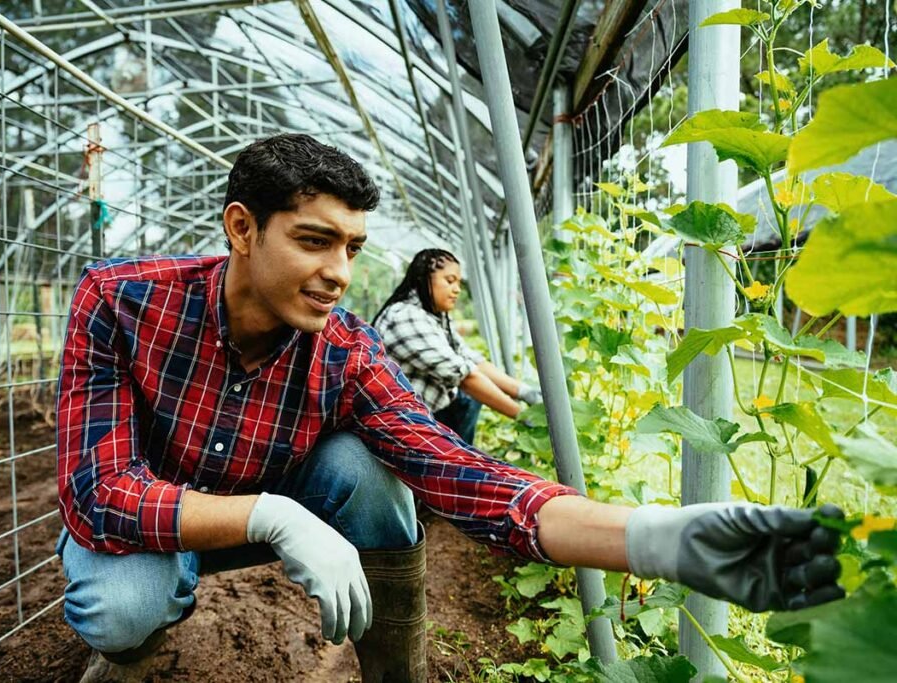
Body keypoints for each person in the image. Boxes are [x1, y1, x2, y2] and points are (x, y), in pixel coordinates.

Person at [55, 134, 845, 683]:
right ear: (241, 227)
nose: (337, 271)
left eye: (353, 248)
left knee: (373, 469)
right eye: (314, 240)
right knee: (123, 606)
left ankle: (399, 672)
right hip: (149, 522)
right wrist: (272, 516)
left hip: (265, 499)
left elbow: (461, 472)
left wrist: (655, 537)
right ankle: (138, 650)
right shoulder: (122, 303)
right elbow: (98, 489)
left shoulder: (343, 348)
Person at [372, 248, 540, 444]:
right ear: (424, 279)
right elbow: (463, 376)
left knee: (468, 398)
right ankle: (451, 462)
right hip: (397, 424)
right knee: (469, 395)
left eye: (459, 283)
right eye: (450, 281)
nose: (457, 289)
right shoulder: (406, 317)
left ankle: (455, 455)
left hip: (422, 413)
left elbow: (469, 358)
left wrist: (524, 392)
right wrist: (524, 417)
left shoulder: (433, 315)